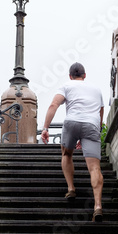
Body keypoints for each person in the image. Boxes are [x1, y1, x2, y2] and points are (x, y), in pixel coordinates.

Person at [41, 62, 104, 222]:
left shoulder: (66, 85)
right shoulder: (96, 90)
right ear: (84, 75)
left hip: (72, 122)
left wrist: (45, 128)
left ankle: (71, 188)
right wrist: (95, 129)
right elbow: (100, 111)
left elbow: (54, 104)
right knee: (94, 167)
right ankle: (97, 206)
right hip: (92, 124)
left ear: (70, 76)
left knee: (67, 153)